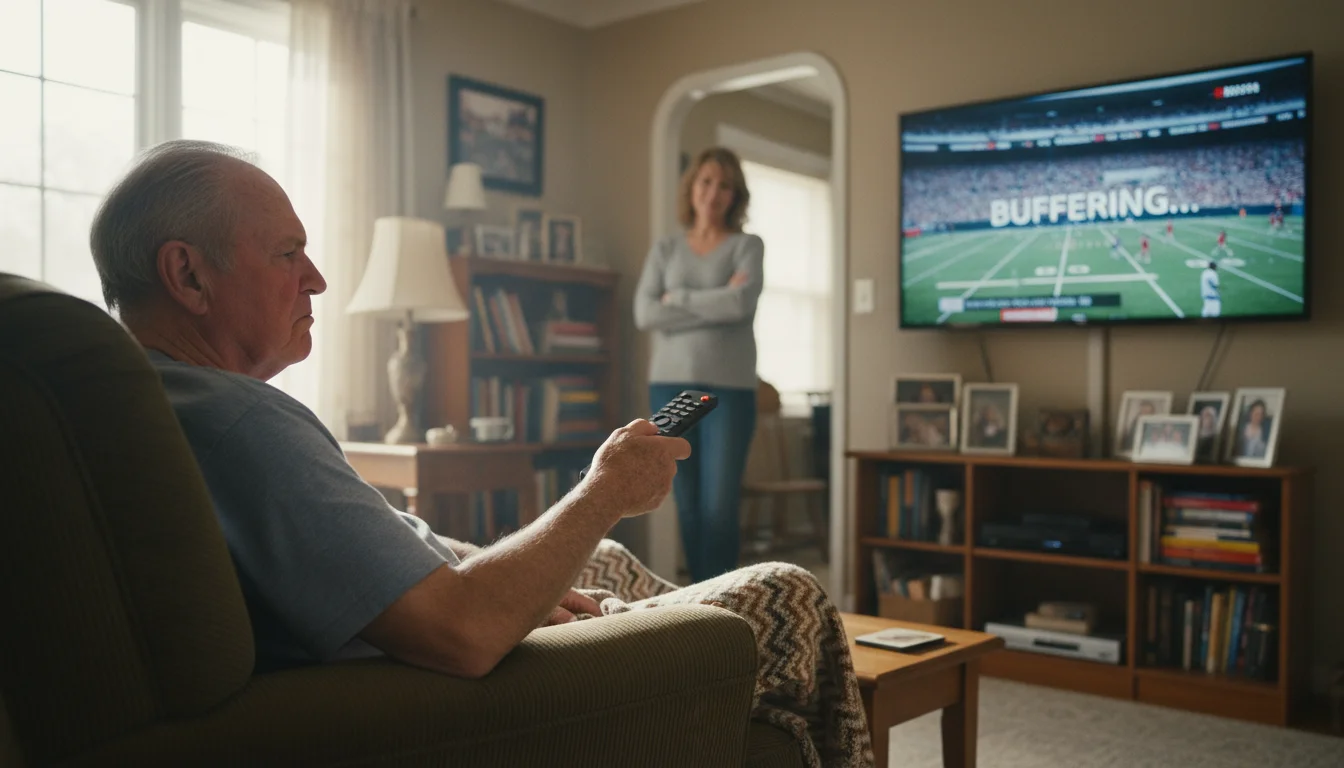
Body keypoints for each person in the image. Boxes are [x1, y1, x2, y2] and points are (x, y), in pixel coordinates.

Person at [89, 140, 871, 766]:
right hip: (465, 665)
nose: (317, 279)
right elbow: (460, 630)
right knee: (791, 595)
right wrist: (604, 490)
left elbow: (367, 569)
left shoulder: (165, 401)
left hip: (452, 601)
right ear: (187, 274)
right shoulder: (239, 424)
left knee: (609, 562)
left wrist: (505, 571)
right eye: (288, 253)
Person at [633, 146, 764, 583]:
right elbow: (645, 314)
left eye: (725, 185)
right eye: (706, 182)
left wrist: (680, 299)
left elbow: (740, 305)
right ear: (692, 188)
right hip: (669, 385)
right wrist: (716, 301)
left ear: (735, 195)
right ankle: (698, 601)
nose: (713, 193)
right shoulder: (666, 248)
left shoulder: (747, 245)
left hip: (729, 390)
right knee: (686, 503)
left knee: (719, 506)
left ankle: (723, 602)